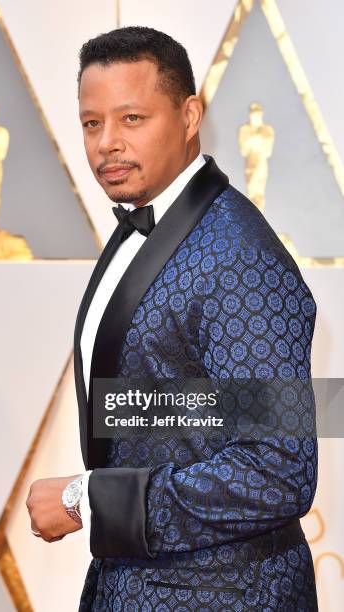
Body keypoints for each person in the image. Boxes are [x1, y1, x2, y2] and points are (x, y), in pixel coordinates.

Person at [25, 26, 319, 611]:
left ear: (189, 116)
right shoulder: (147, 221)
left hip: (224, 596)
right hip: (136, 584)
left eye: (132, 118)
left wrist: (91, 499)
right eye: (91, 123)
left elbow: (280, 468)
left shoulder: (238, 259)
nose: (106, 143)